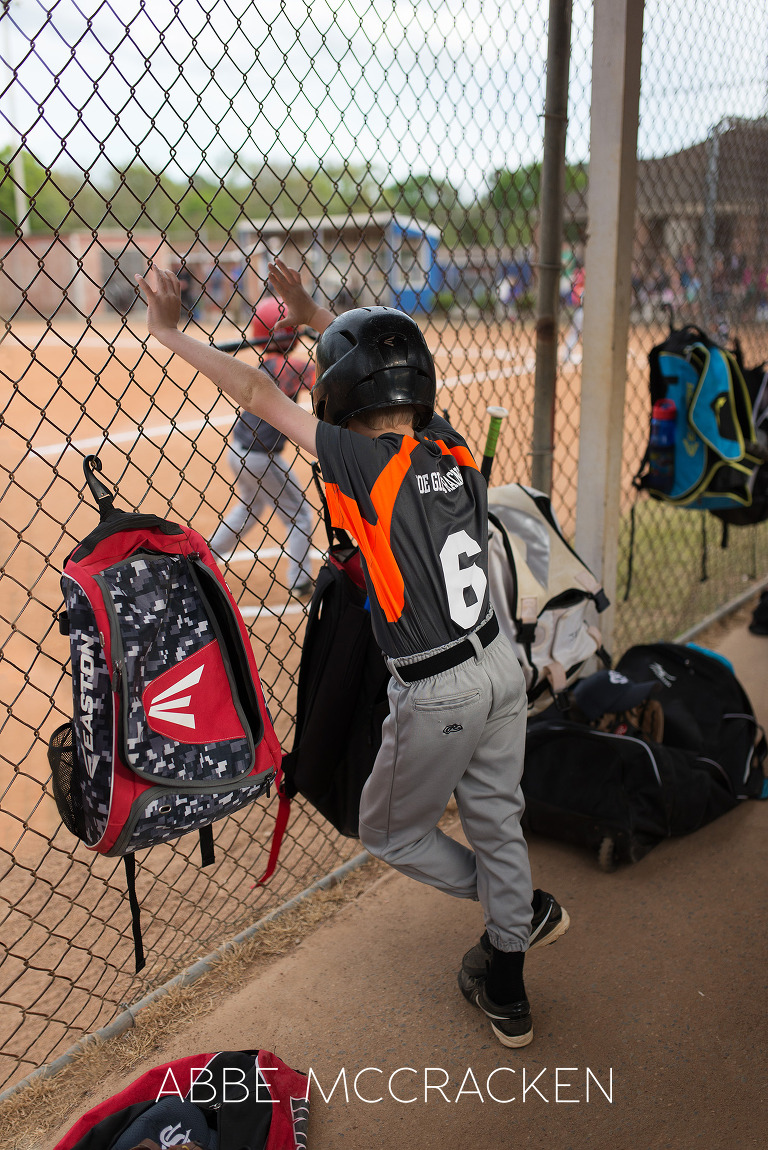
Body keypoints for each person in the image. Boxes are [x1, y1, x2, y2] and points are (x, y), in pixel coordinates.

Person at [135, 258, 570, 1049]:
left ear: (341, 402)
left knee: (389, 831)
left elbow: (259, 393)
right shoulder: (456, 449)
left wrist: (168, 331)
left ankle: (516, 907)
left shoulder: (362, 464)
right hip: (503, 667)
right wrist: (311, 313)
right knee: (497, 821)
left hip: (439, 692)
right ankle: (507, 976)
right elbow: (374, 370)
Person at [209, 297, 315, 598]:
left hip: (239, 451)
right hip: (260, 458)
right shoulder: (291, 367)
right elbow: (323, 375)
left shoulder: (266, 365)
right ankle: (300, 580)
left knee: (251, 507)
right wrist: (317, 336)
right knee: (299, 515)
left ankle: (206, 557)